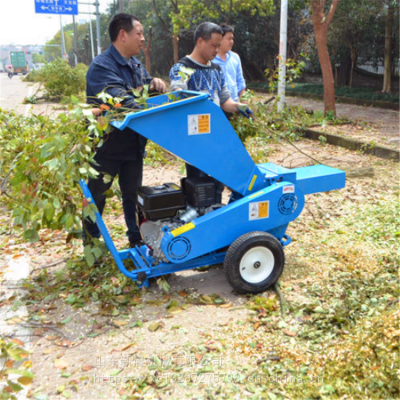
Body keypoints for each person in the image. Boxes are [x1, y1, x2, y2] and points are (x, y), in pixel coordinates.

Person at [83, 13, 167, 248]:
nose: (142, 39)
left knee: (133, 196)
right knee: (96, 197)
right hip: (106, 148)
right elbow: (122, 102)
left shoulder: (136, 65)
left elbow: (144, 90)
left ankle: (136, 240)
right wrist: (144, 95)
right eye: (139, 33)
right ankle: (92, 246)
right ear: (123, 35)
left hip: (132, 146)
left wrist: (155, 84)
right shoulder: (101, 67)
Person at [169, 22, 252, 183]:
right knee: (199, 185)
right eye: (214, 45)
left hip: (216, 134)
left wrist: (237, 106)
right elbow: (177, 97)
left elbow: (224, 100)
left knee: (218, 182)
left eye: (218, 46)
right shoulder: (182, 68)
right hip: (195, 139)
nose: (216, 50)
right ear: (200, 42)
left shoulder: (216, 69)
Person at [213, 24, 246, 102]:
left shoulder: (235, 57)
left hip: (234, 104)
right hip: (218, 105)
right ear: (220, 39)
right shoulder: (211, 60)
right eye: (229, 39)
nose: (231, 42)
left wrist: (244, 103)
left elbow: (240, 81)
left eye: (232, 39)